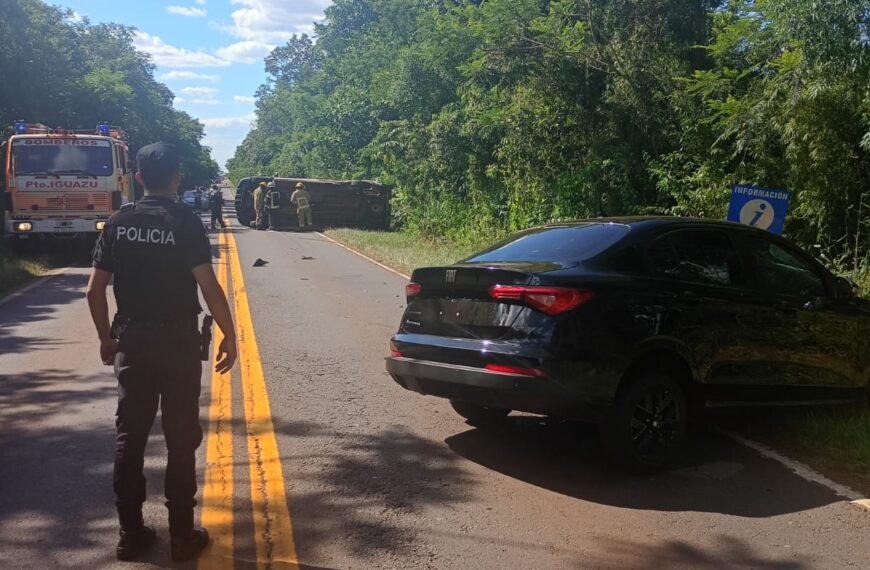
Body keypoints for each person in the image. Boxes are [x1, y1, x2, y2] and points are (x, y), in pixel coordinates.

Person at [86, 142, 238, 563]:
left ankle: (130, 534)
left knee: (129, 439)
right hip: (178, 346)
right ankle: (182, 537)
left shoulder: (118, 223)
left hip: (132, 343)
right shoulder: (185, 222)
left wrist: (105, 338)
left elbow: (95, 289)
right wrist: (230, 333)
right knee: (180, 439)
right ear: (178, 177)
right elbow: (209, 286)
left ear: (137, 178)